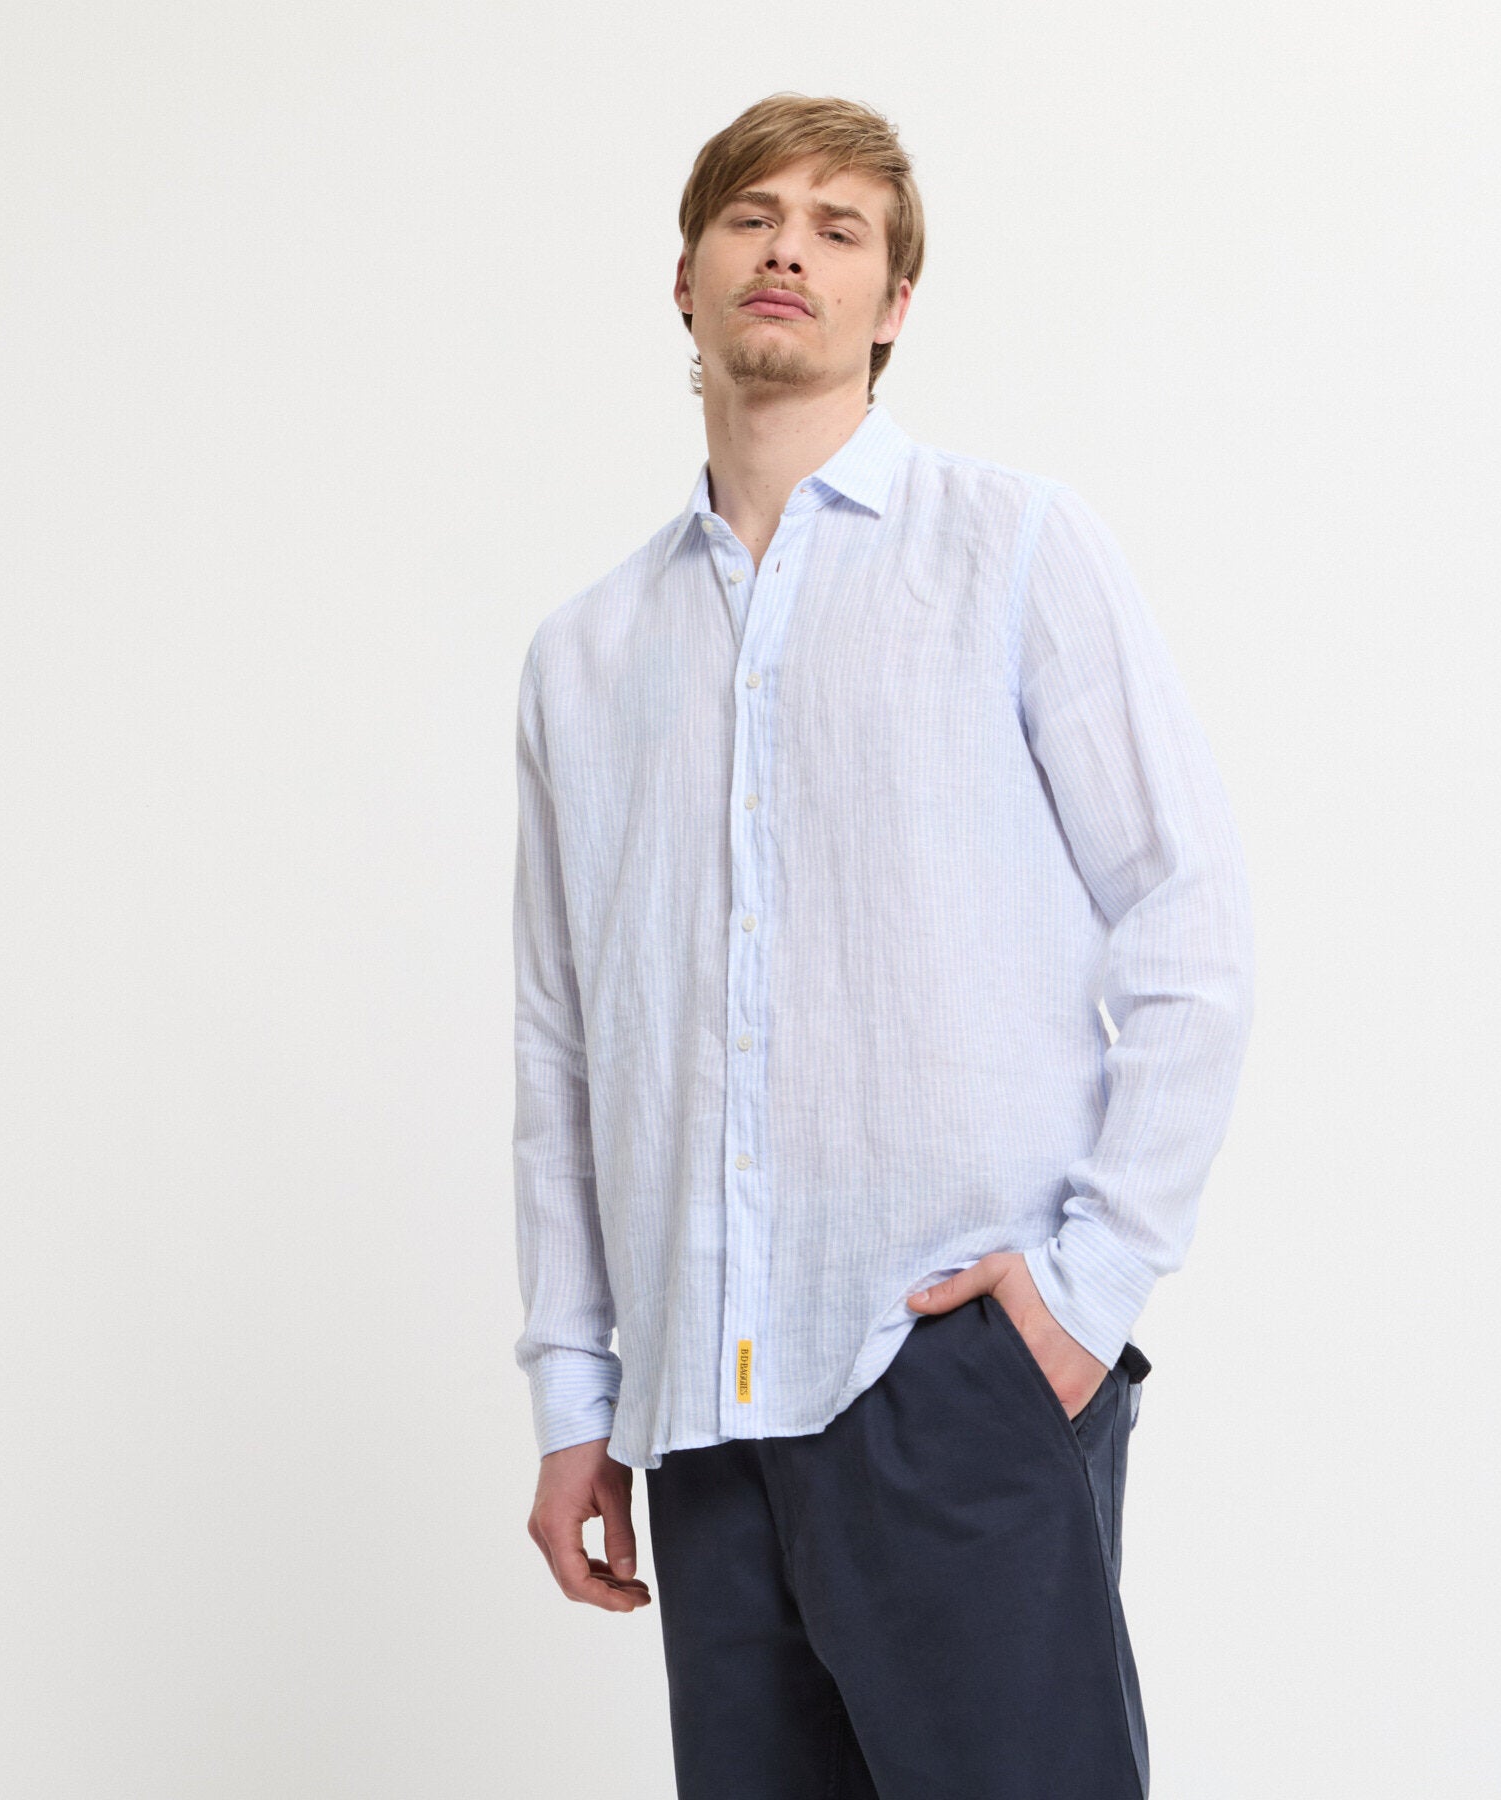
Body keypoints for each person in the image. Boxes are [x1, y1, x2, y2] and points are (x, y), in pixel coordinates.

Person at [511, 90, 1255, 1800]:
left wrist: (1081, 1303)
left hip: (951, 1375)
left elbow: (1190, 920)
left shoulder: (1014, 550)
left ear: (893, 303)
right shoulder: (584, 657)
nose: (789, 248)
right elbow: (565, 1050)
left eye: (838, 228)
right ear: (685, 278)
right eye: (751, 215)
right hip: (702, 1421)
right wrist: (574, 1396)